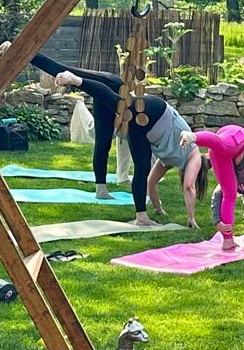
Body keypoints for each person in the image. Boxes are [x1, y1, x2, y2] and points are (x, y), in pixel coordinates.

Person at [21, 51, 203, 229]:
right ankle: (74, 80)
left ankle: (141, 216)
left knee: (140, 167)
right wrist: (191, 218)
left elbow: (151, 183)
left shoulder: (171, 161)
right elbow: (189, 186)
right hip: (155, 113)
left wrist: (158, 209)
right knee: (116, 110)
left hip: (144, 130)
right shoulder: (193, 153)